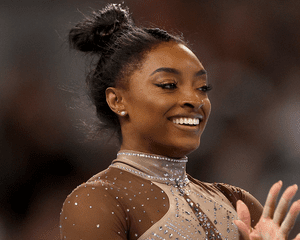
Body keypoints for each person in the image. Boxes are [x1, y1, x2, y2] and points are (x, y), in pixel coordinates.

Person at [60, 3, 300, 240]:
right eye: (169, 85)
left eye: (202, 87)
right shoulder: (98, 201)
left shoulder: (237, 202)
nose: (194, 99)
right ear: (117, 100)